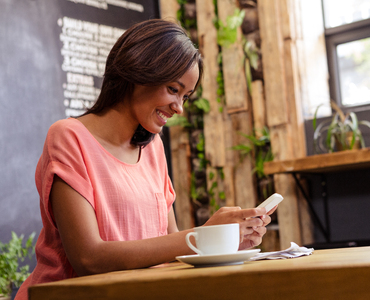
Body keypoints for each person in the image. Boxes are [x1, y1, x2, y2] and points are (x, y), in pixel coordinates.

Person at [16, 19, 274, 299]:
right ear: (139, 71)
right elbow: (89, 258)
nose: (179, 108)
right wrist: (201, 236)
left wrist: (221, 241)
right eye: (174, 90)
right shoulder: (68, 137)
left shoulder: (153, 148)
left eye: (186, 97)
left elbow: (171, 250)